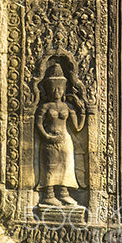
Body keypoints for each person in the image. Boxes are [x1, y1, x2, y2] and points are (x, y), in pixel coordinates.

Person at [35, 62, 85, 207]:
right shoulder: (45, 107)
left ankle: (64, 193)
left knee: (66, 167)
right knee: (50, 167)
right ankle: (48, 195)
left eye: (60, 88)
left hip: (65, 142)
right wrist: (46, 136)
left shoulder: (67, 108)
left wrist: (81, 110)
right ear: (47, 90)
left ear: (64, 90)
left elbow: (77, 128)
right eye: (53, 88)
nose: (56, 91)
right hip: (49, 142)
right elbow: (38, 124)